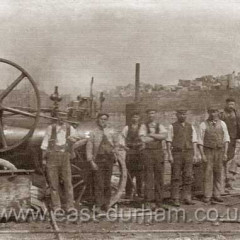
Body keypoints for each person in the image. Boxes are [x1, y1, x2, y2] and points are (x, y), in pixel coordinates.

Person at [41, 114, 77, 211]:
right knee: (53, 183)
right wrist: (44, 159)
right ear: (57, 117)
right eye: (60, 116)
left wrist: (72, 142)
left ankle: (70, 206)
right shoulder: (51, 128)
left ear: (66, 118)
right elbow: (44, 145)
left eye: (64, 116)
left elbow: (75, 139)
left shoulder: (70, 128)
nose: (62, 118)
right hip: (52, 156)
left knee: (68, 182)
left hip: (65, 157)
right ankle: (57, 206)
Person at [86, 113, 118, 212]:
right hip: (98, 160)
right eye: (101, 119)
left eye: (105, 119)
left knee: (107, 183)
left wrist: (115, 153)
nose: (103, 121)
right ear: (98, 120)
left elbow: (117, 144)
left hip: (108, 159)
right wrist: (91, 161)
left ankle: (107, 204)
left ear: (107, 121)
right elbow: (89, 147)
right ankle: (99, 205)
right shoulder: (93, 133)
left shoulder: (111, 132)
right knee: (99, 183)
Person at [167, 109, 198, 207]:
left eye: (184, 114)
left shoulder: (190, 126)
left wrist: (195, 154)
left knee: (188, 176)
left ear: (186, 115)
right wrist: (169, 155)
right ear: (177, 115)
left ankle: (186, 197)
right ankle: (175, 198)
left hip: (188, 153)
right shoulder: (172, 126)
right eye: (180, 114)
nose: (182, 116)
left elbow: (194, 141)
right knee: (176, 176)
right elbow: (169, 141)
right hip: (177, 153)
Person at [198, 106, 230, 203]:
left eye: (215, 112)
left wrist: (225, 153)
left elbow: (226, 139)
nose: (213, 114)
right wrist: (202, 154)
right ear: (208, 112)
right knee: (208, 173)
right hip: (208, 151)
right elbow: (200, 140)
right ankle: (207, 195)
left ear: (218, 112)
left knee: (218, 172)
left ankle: (217, 194)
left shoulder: (223, 124)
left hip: (219, 151)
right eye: (211, 112)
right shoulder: (203, 124)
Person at [139, 108, 168, 209]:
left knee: (159, 178)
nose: (151, 115)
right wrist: (157, 136)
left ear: (155, 115)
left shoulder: (160, 125)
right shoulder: (143, 126)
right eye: (149, 113)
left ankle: (159, 202)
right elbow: (143, 139)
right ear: (147, 115)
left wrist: (151, 135)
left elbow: (165, 136)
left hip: (158, 154)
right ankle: (147, 202)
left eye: (153, 113)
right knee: (148, 178)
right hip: (148, 154)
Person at [119, 111, 144, 199]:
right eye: (133, 117)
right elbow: (121, 138)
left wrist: (143, 146)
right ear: (131, 119)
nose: (135, 118)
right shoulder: (126, 128)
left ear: (139, 118)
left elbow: (145, 138)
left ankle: (140, 192)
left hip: (140, 153)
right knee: (129, 173)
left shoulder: (142, 128)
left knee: (140, 174)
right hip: (130, 153)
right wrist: (125, 147)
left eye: (136, 117)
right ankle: (128, 193)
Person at [220, 98, 240, 191]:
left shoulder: (236, 113)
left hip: (233, 140)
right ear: (226, 104)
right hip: (224, 140)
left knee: (232, 160)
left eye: (232, 104)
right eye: (229, 104)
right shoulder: (222, 114)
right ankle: (222, 183)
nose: (231, 106)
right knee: (224, 160)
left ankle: (230, 182)